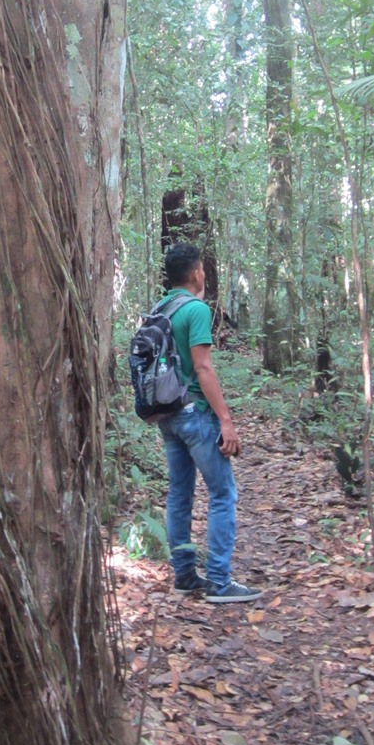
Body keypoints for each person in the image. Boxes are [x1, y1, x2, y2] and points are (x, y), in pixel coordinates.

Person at [156, 242, 262, 604]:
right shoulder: (196, 309)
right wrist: (226, 421)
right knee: (222, 493)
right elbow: (203, 367)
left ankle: (184, 575)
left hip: (167, 416)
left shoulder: (160, 309)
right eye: (202, 269)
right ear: (197, 273)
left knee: (179, 495)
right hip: (194, 415)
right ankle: (219, 580)